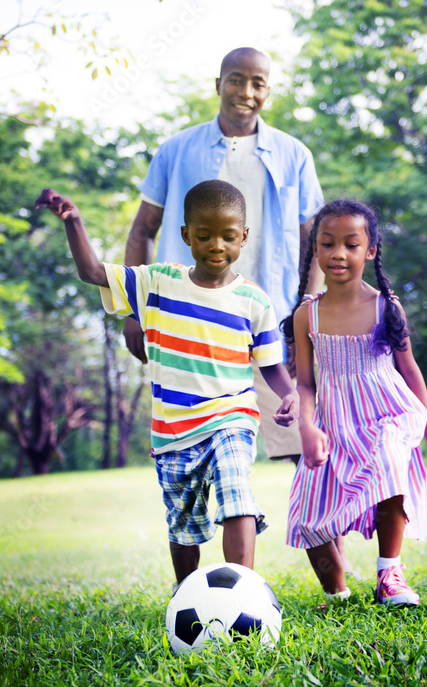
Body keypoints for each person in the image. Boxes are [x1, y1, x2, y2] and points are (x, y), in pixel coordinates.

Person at [35, 180, 298, 585]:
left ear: (243, 237)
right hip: (173, 430)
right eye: (205, 235)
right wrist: (74, 222)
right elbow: (92, 272)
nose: (216, 246)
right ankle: (185, 590)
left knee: (237, 494)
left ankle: (242, 591)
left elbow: (270, 364)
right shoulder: (157, 282)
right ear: (185, 235)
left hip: (232, 417)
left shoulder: (255, 301)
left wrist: (289, 394)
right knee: (184, 525)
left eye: (229, 237)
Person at [123, 46, 324, 461]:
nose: (245, 91)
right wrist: (133, 311)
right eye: (236, 79)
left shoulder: (294, 156)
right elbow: (143, 228)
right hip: (191, 324)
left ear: (268, 91)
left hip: (272, 321)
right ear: (218, 84)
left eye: (258, 83)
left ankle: (322, 529)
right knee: (198, 454)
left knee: (304, 447)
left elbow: (315, 242)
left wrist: (308, 314)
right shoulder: (177, 150)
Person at [281, 200, 427, 605]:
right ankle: (337, 593)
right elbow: (306, 384)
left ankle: (388, 574)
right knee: (308, 517)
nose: (338, 253)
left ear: (370, 250)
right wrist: (307, 426)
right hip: (334, 422)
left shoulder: (385, 307)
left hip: (385, 413)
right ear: (315, 251)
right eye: (327, 244)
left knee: (392, 468)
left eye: (351, 244)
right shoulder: (308, 316)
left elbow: (410, 372)